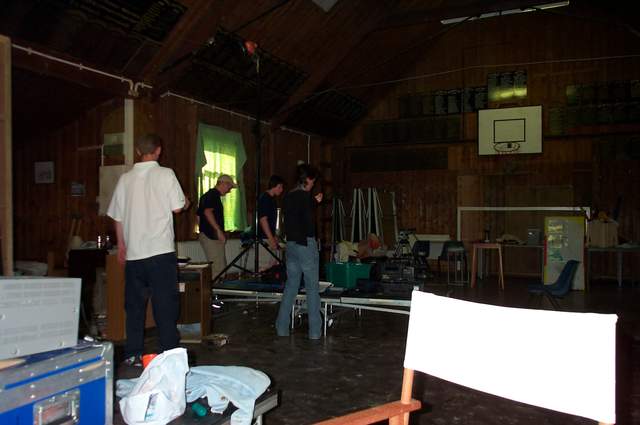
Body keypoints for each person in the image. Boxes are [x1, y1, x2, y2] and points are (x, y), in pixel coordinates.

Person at [107, 134, 189, 366]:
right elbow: (178, 207)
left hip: (134, 255)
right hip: (160, 252)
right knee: (165, 306)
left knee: (134, 307)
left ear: (137, 151)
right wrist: (187, 201)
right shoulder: (166, 174)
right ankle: (169, 354)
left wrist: (121, 245)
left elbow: (117, 217)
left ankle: (133, 353)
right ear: (159, 150)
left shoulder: (125, 179)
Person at [275, 164, 323, 339]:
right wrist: (314, 203)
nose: (313, 184)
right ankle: (315, 332)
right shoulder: (306, 197)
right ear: (307, 179)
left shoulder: (288, 196)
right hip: (305, 245)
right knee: (312, 288)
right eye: (312, 181)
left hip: (291, 246)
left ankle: (281, 328)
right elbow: (307, 222)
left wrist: (312, 202)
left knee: (291, 286)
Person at [197, 174, 237, 280]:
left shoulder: (207, 196)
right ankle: (215, 290)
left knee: (219, 267)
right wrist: (218, 231)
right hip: (211, 237)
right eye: (229, 187)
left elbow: (198, 216)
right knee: (218, 269)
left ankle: (216, 289)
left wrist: (203, 231)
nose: (229, 191)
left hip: (207, 235)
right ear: (223, 184)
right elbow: (207, 212)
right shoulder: (213, 195)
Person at [258, 175, 285, 252]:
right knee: (265, 260)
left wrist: (274, 236)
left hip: (269, 238)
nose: (281, 190)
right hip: (264, 239)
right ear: (273, 186)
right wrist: (271, 239)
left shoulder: (272, 199)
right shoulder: (265, 198)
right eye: (280, 187)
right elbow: (263, 220)